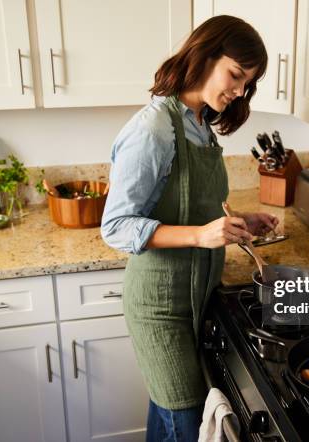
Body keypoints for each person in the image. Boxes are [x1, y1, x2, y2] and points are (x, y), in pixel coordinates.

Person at [101, 15, 278, 441]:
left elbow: (193, 205)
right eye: (236, 75)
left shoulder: (200, 122)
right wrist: (202, 236)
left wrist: (240, 222)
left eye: (246, 84)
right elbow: (116, 226)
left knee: (168, 413)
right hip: (160, 307)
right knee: (184, 417)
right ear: (204, 54)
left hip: (198, 298)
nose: (238, 91)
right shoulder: (155, 128)